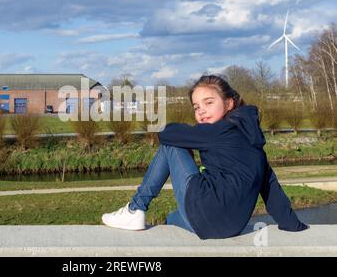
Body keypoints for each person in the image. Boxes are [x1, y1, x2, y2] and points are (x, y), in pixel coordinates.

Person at [101, 75, 308, 239]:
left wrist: (187, 140)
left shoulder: (220, 130)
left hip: (205, 209)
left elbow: (166, 133)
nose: (201, 112)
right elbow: (271, 189)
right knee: (172, 218)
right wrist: (292, 225)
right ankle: (155, 218)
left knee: (171, 148)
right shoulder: (254, 141)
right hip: (231, 227)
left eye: (208, 102)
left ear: (229, 104)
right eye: (197, 107)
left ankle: (135, 209)